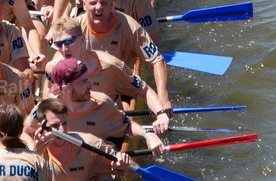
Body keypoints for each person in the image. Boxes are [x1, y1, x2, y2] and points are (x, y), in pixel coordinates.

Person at [46, 16, 166, 117]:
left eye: (68, 42)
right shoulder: (52, 68)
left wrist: (161, 114)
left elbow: (144, 90)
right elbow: (49, 96)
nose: (64, 49)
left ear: (82, 39)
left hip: (109, 126)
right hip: (75, 126)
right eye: (59, 44)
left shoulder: (110, 65)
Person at [24, 56, 169, 140]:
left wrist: (148, 135)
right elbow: (25, 131)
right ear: (66, 88)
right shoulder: (45, 109)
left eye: (89, 79)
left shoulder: (102, 103)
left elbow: (128, 126)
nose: (91, 85)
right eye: (84, 82)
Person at [79, 0, 171, 110]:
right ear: (84, 5)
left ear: (112, 5)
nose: (98, 7)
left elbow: (157, 60)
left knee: (124, 110)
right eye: (93, 3)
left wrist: (163, 98)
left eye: (104, 3)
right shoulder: (75, 28)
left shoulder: (130, 27)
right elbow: (57, 61)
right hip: (88, 83)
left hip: (120, 83)